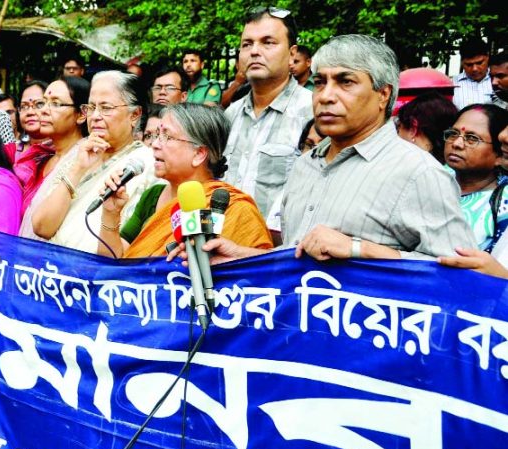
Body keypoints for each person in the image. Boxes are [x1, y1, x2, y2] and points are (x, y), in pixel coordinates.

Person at [178, 34, 475, 267]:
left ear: (383, 95)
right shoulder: (306, 165)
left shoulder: (418, 172)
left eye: (345, 82)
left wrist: (360, 250)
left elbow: (460, 275)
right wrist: (242, 256)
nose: (326, 96)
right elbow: (297, 257)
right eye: (320, 82)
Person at [98, 103, 272, 258]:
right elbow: (115, 262)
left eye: (168, 137)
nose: (155, 144)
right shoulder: (153, 196)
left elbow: (264, 273)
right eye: (157, 135)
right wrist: (110, 213)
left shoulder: (232, 206)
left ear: (199, 154)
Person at [28, 70, 158, 253]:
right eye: (90, 107)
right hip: (51, 272)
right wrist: (78, 168)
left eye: (105, 108)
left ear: (135, 114)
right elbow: (41, 227)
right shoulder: (79, 156)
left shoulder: (146, 164)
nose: (95, 115)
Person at [223, 7, 313, 220]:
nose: (254, 51)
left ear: (292, 54)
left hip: (276, 249)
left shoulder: (312, 111)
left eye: (268, 42)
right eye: (247, 44)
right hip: (223, 241)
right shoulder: (230, 115)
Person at [439, 121, 508, 277]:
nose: (456, 143)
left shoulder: (504, 199)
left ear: (497, 155)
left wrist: (500, 277)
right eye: (452, 134)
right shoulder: (433, 177)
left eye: (472, 138)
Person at [19, 76, 89, 222]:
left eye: (56, 104)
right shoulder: (40, 159)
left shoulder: (85, 162)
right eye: (44, 103)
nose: (43, 110)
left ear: (82, 114)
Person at [395, 93, 458, 163]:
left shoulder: (411, 167)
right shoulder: (454, 167)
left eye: (398, 127)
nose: (396, 134)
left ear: (413, 129)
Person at [453, 37, 493, 110]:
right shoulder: (452, 84)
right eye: (469, 65)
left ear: (487, 57)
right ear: (462, 62)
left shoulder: (499, 82)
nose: (474, 69)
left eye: (479, 63)